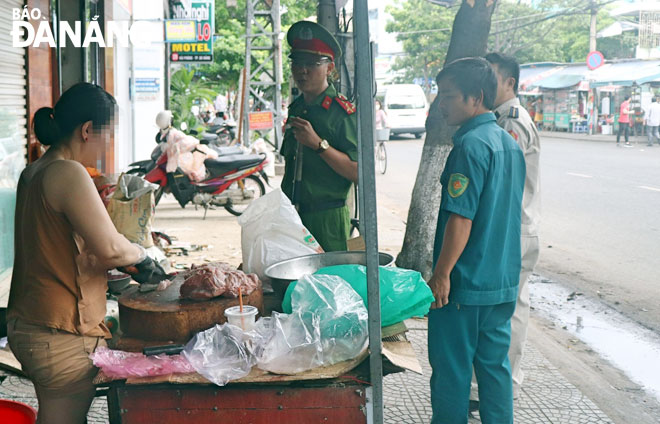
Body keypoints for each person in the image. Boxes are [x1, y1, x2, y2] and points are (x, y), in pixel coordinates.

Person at [7, 83, 166, 424]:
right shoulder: (68, 172)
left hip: (28, 324)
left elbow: (57, 247)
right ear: (87, 130)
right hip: (59, 335)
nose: (109, 144)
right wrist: (143, 257)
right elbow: (110, 247)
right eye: (108, 135)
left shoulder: (33, 172)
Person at [428, 57, 525, 424]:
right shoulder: (508, 144)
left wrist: (442, 274)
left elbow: (461, 218)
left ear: (476, 98)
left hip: (464, 287)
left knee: (452, 374)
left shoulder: (469, 147)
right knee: (494, 370)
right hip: (501, 283)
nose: (441, 103)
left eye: (449, 96)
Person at [479, 52, 541, 404]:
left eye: (492, 77)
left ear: (509, 84)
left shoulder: (511, 123)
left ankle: (505, 384)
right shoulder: (499, 118)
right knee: (506, 308)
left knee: (511, 311)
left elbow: (505, 185)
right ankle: (495, 384)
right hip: (510, 229)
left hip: (514, 230)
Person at [280, 21, 358, 251]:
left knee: (331, 281)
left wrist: (319, 145)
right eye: (297, 62)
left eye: (312, 63)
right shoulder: (296, 108)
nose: (302, 70)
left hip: (328, 218)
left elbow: (358, 172)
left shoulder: (341, 113)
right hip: (293, 215)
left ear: (330, 68)